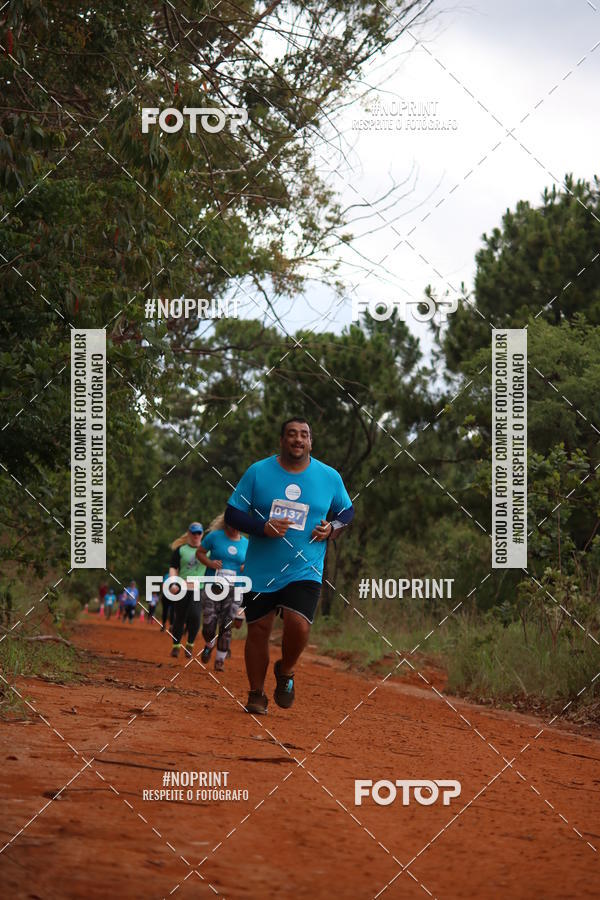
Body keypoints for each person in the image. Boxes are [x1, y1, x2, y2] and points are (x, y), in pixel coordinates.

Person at [225, 417, 354, 715]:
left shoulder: (329, 476)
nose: (298, 439)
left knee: (299, 625)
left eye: (304, 435)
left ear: (311, 442)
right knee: (259, 629)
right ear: (282, 440)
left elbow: (347, 510)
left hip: (305, 567)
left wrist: (332, 526)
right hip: (261, 570)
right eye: (292, 434)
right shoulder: (258, 472)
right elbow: (232, 514)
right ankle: (256, 694)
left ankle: (286, 669)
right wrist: (262, 527)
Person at [195, 513, 249, 672]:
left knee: (227, 625)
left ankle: (220, 661)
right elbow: (200, 553)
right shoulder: (214, 537)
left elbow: (250, 562)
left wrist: (245, 567)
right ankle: (209, 643)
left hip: (235, 588)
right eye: (232, 522)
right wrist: (211, 563)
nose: (234, 526)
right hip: (213, 586)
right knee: (208, 625)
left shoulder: (246, 543)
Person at [169, 522, 206, 658]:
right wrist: (173, 583)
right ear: (189, 533)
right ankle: (176, 646)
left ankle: (190, 644)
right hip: (182, 588)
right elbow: (173, 567)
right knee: (180, 617)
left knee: (195, 617)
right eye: (194, 532)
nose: (196, 535)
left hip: (199, 588)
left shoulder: (208, 551)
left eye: (199, 533)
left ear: (202, 534)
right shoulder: (180, 550)